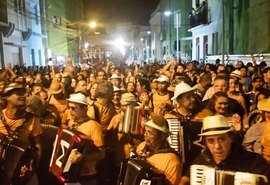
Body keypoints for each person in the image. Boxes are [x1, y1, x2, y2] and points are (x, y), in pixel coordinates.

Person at [180, 115, 270, 184]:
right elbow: (185, 179)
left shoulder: (253, 162)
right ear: (206, 143)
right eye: (211, 141)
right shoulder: (201, 161)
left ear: (231, 138)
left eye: (222, 139)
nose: (217, 146)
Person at [0, 83, 43, 185]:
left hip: (22, 165)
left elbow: (38, 146)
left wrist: (32, 166)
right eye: (18, 93)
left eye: (23, 93)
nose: (23, 96)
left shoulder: (32, 119)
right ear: (7, 97)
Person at [66, 93, 105, 185]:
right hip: (70, 174)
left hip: (87, 177)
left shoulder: (94, 126)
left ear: (84, 109)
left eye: (74, 108)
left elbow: (101, 154)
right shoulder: (72, 123)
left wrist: (83, 158)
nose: (70, 111)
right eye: (69, 108)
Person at [136, 114, 182, 185]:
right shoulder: (141, 147)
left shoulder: (172, 161)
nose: (145, 134)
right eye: (146, 131)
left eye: (150, 133)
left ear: (163, 136)